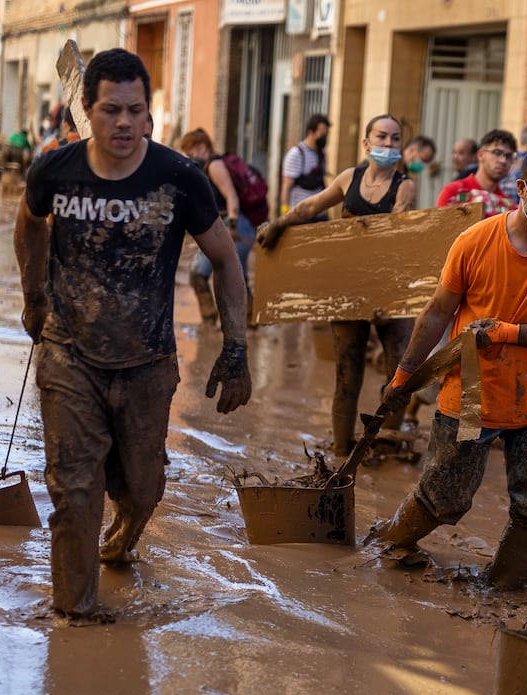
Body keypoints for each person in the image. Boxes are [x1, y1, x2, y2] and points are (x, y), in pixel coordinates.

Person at [14, 48, 252, 619]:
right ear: (88, 110)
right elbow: (27, 226)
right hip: (69, 355)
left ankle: (121, 538)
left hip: (147, 361)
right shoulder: (55, 170)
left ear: (149, 114)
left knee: (141, 487)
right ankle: (76, 612)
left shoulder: (177, 178)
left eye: (136, 111)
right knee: (74, 490)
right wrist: (34, 299)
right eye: (111, 110)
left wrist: (237, 347)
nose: (124, 122)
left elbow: (225, 259)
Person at [369, 145, 527, 588]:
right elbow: (436, 314)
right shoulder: (475, 241)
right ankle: (389, 541)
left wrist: (509, 333)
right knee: (444, 497)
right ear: (521, 189)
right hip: (473, 387)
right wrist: (402, 377)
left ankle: (505, 588)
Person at [257, 114, 417, 457]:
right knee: (347, 369)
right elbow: (312, 205)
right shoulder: (349, 177)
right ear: (366, 143)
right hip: (349, 286)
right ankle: (342, 449)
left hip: (391, 286)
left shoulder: (404, 186)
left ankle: (388, 443)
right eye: (381, 137)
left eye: (395, 140)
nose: (388, 145)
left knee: (398, 370)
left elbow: (398, 237)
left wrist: (390, 298)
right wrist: (279, 223)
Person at [179, 127, 254, 321]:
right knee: (236, 278)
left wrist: (233, 225)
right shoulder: (207, 166)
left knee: (203, 275)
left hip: (234, 226)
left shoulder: (214, 165)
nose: (189, 157)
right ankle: (246, 322)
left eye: (190, 152)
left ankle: (222, 326)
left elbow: (231, 196)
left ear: (202, 147)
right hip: (227, 226)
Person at [436, 128, 518, 217]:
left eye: (509, 156)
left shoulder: (509, 207)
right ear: (480, 155)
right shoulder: (454, 192)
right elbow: (439, 229)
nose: (503, 160)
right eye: (497, 152)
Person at [280, 113, 330, 221]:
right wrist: (285, 211)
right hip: (300, 213)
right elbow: (287, 185)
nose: (324, 138)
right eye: (321, 134)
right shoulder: (296, 154)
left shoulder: (322, 155)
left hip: (319, 213)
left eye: (325, 135)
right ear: (310, 132)